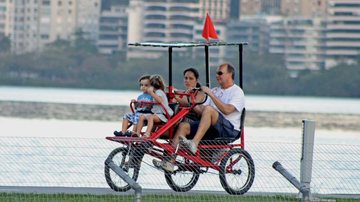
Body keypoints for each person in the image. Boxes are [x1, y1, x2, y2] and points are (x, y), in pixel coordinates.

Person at [153, 63, 245, 172]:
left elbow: (227, 110)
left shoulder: (236, 92)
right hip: (211, 126)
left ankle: (194, 143)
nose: (217, 76)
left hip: (229, 129)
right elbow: (202, 111)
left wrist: (210, 94)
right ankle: (169, 162)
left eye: (220, 73)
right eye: (216, 73)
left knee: (209, 110)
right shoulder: (216, 90)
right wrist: (188, 101)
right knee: (183, 126)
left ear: (230, 74)